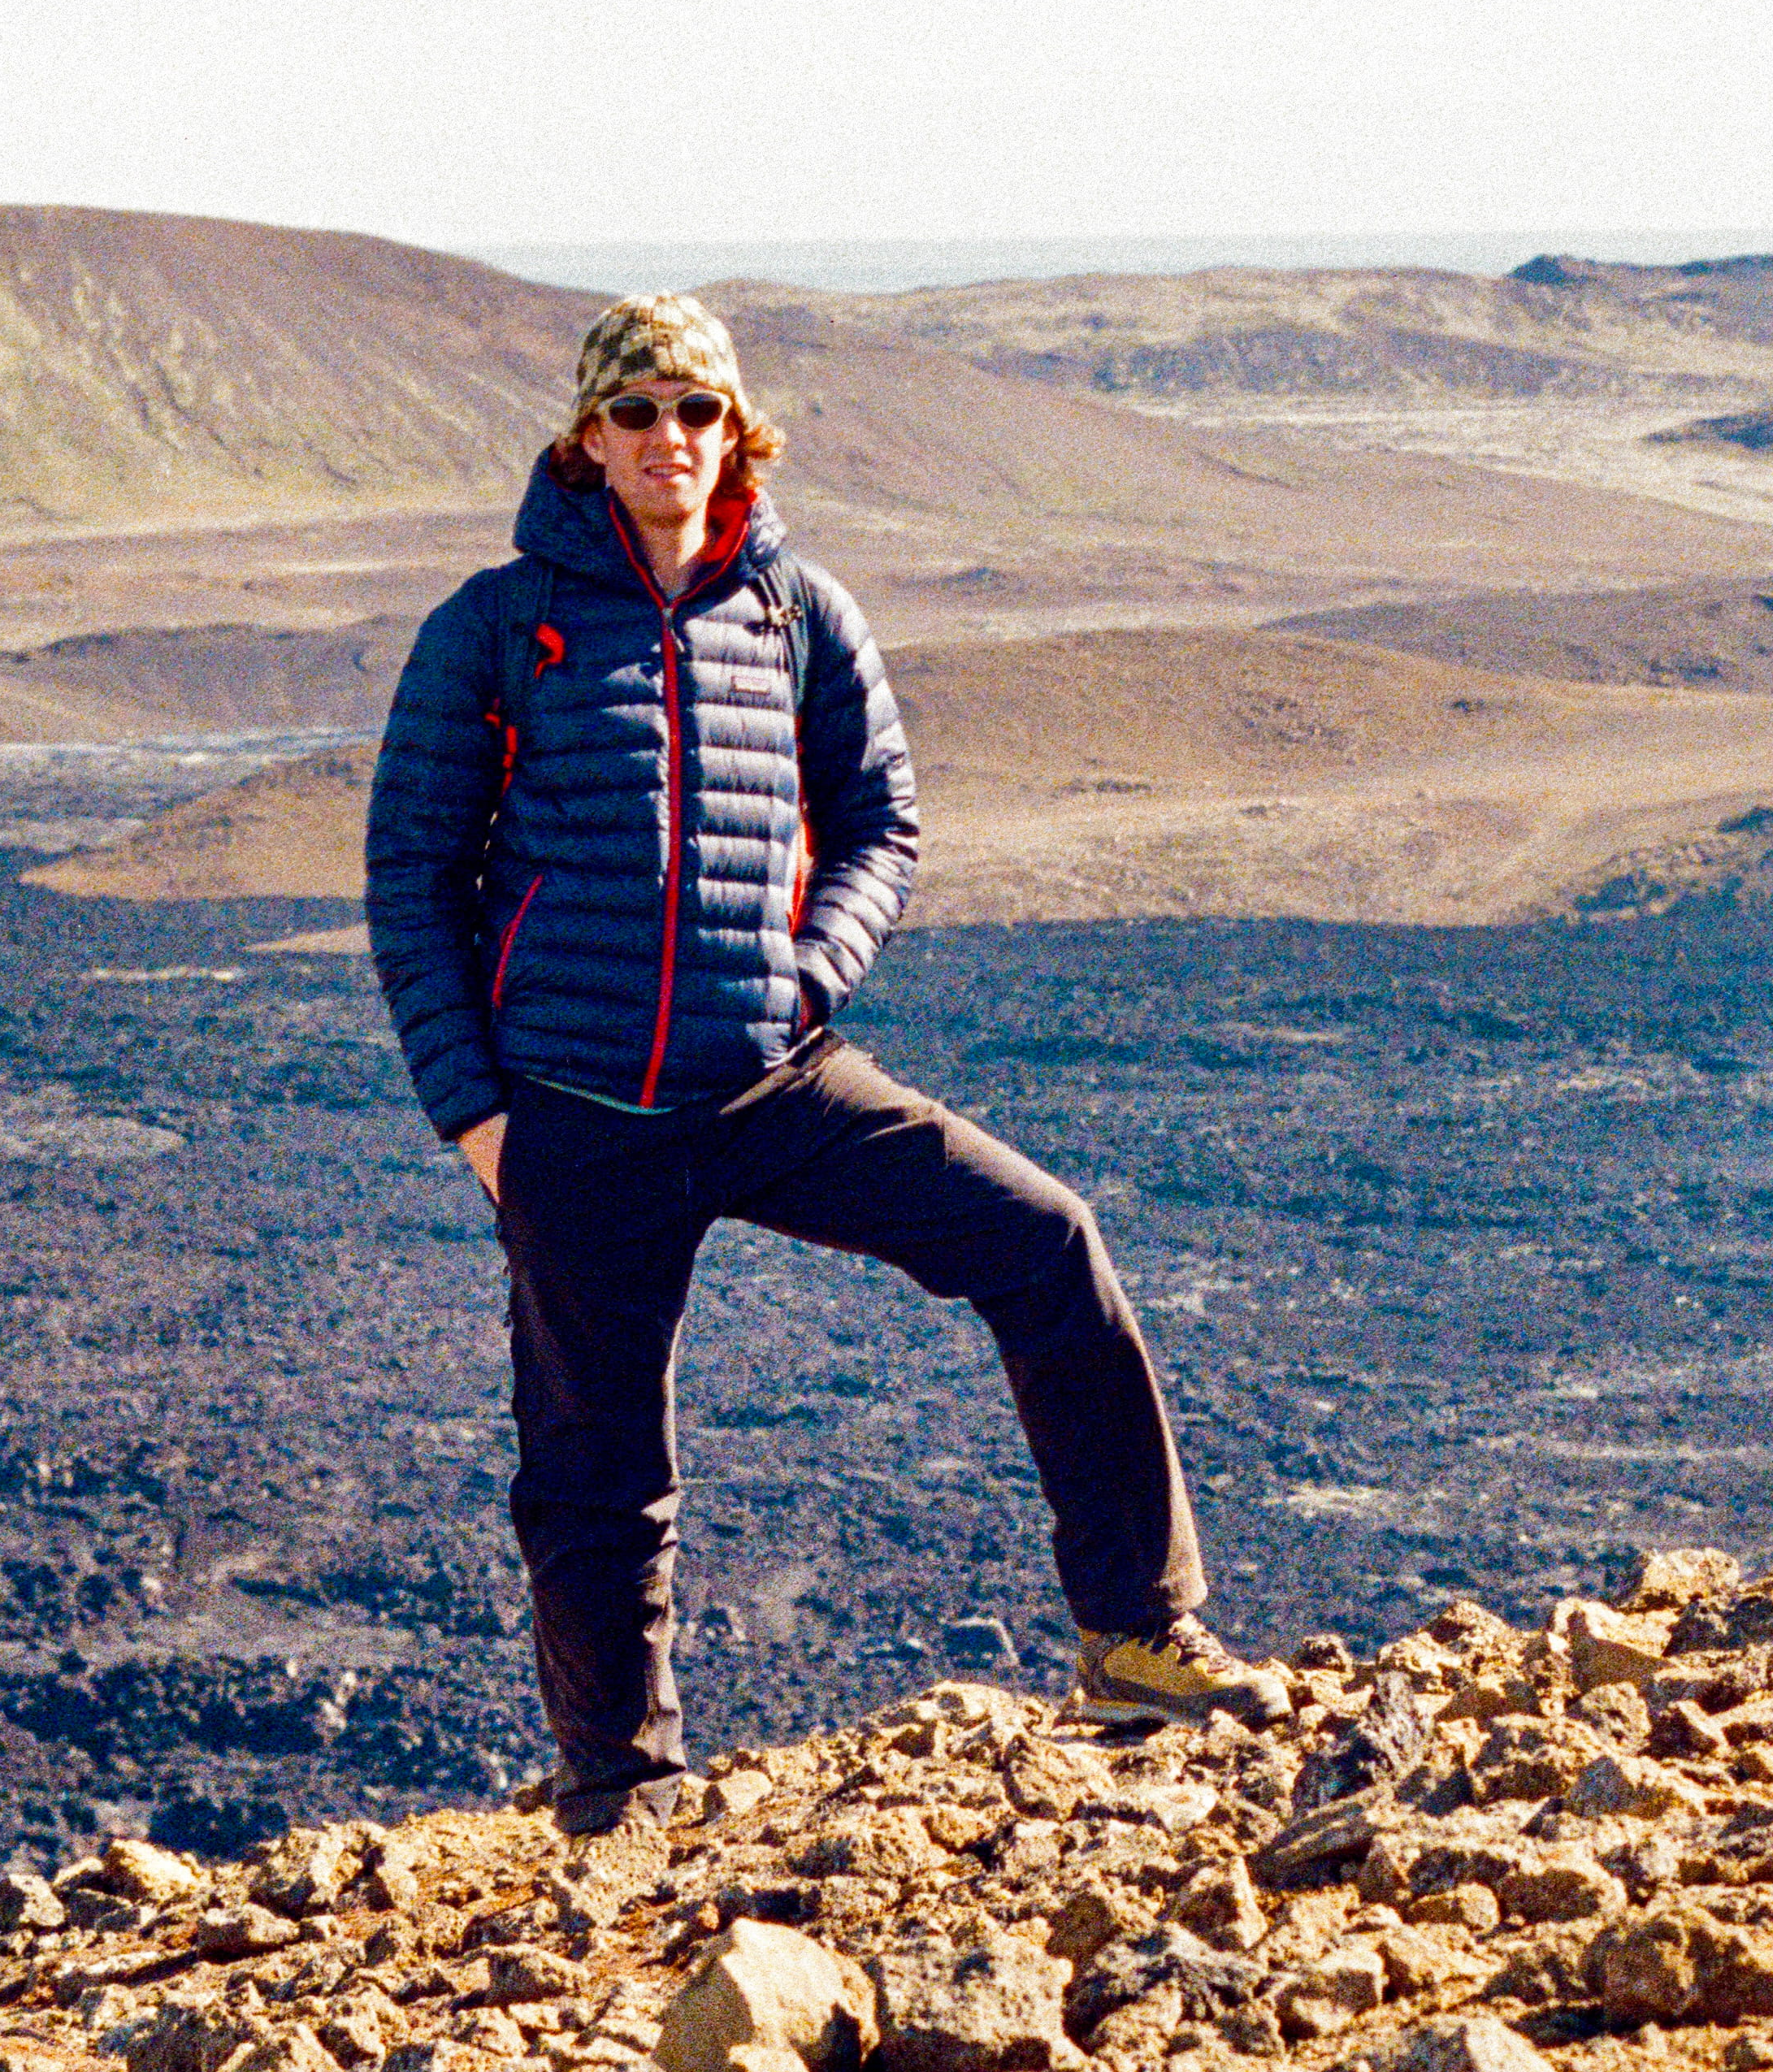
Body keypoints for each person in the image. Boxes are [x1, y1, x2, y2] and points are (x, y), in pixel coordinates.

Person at [363, 291, 1279, 1833]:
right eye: (637, 412)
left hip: (774, 1080)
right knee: (599, 1474)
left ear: (739, 433)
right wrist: (475, 1117)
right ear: (587, 440)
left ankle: (1135, 1635)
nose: (671, 439)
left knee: (1046, 1242)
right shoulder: (493, 626)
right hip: (573, 1108)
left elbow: (881, 826)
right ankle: (617, 1796)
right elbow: (411, 874)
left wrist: (806, 975)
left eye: (697, 411)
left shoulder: (796, 616)